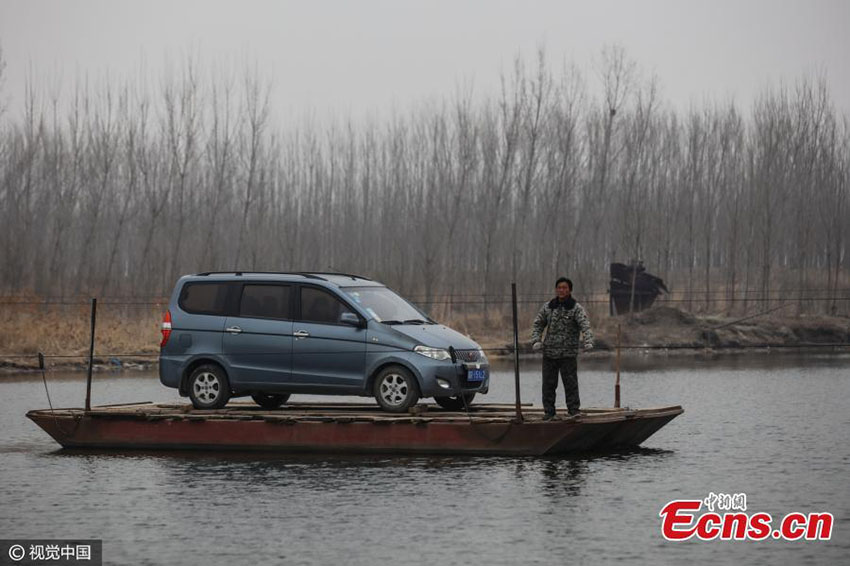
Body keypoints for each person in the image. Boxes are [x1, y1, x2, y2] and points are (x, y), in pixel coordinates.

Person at [531, 277, 594, 420]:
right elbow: (538, 324)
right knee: (548, 385)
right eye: (559, 287)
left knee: (570, 384)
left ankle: (573, 411)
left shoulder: (576, 308)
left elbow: (585, 325)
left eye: (565, 288)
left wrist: (588, 341)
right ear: (556, 289)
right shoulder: (548, 307)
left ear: (570, 290)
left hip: (568, 354)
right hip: (549, 353)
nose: (562, 290)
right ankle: (549, 413)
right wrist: (536, 340)